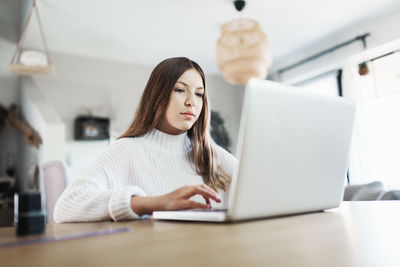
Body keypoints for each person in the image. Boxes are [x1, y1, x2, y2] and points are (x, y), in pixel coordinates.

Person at [54, 57, 237, 222]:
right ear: (157, 96)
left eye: (199, 94)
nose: (192, 101)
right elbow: (65, 207)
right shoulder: (126, 150)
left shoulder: (214, 156)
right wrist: (152, 203)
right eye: (180, 90)